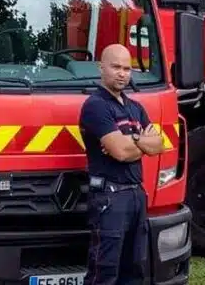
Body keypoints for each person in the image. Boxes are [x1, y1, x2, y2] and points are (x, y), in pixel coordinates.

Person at [79, 44, 166, 285]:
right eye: (116, 67)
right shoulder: (95, 106)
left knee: (134, 269)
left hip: (136, 195)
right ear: (101, 68)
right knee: (104, 272)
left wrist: (133, 140)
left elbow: (159, 144)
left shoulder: (135, 107)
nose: (122, 73)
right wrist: (141, 141)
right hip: (110, 198)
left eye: (127, 69)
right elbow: (119, 152)